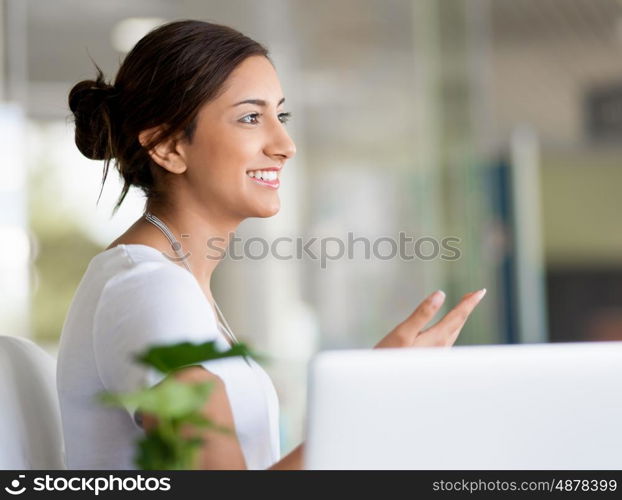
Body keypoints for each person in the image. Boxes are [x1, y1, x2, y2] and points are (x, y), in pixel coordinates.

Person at [56, 19, 486, 471]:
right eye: (249, 117)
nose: (285, 144)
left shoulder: (167, 284)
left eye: (279, 116)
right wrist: (373, 404)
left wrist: (372, 390)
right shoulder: (149, 291)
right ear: (167, 146)